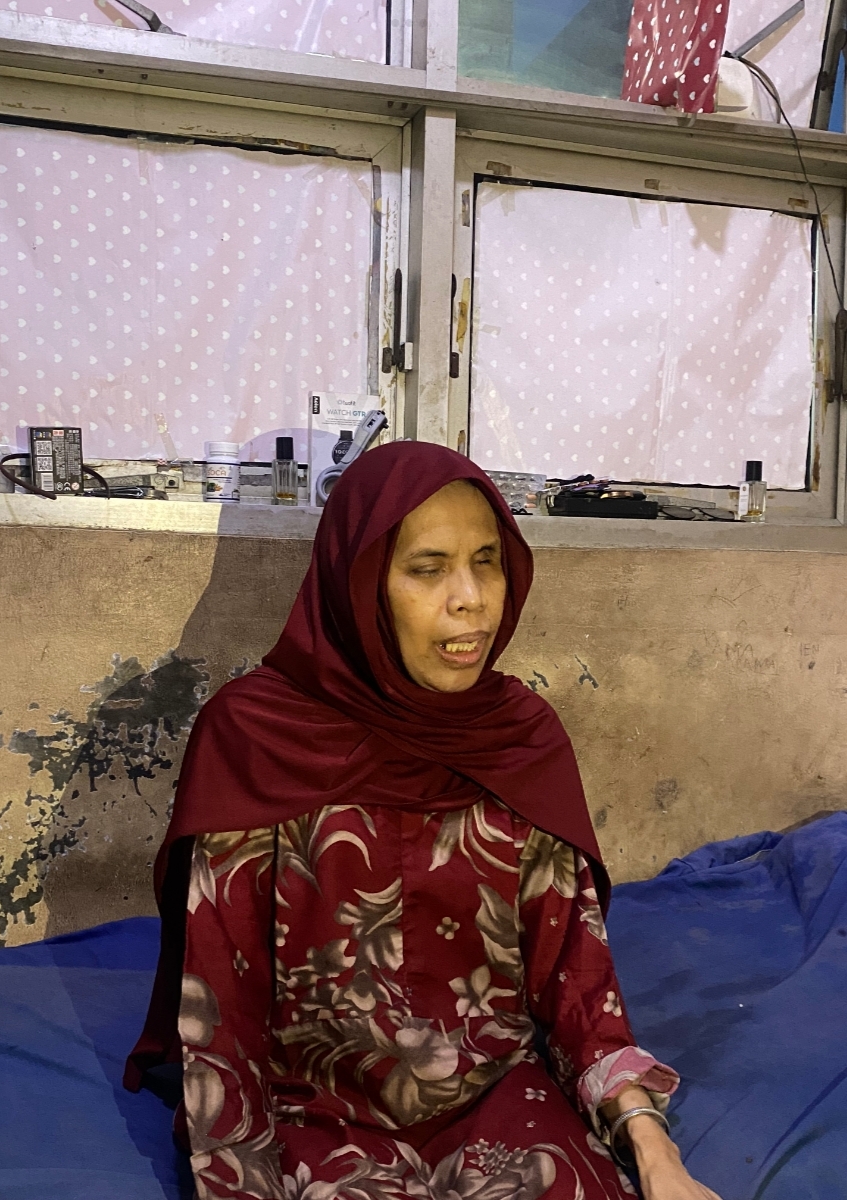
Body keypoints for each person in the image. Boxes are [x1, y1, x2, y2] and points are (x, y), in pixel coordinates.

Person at [127, 441, 722, 1200]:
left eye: (487, 561)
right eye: (427, 568)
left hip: (497, 1105)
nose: (471, 599)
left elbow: (578, 993)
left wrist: (653, 1151)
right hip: (307, 1115)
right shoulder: (257, 742)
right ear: (360, 585)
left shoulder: (519, 742)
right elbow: (223, 1024)